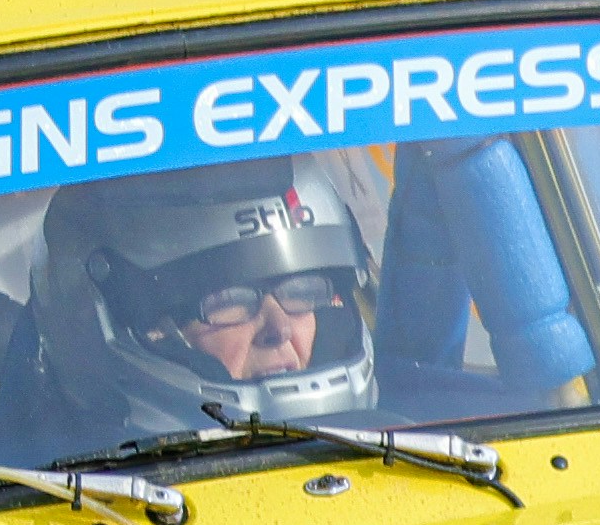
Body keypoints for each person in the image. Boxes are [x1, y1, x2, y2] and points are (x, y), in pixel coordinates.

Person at [27, 165, 379, 448]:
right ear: (147, 332)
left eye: (303, 292)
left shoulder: (413, 447)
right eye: (230, 301)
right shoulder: (19, 498)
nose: (280, 330)